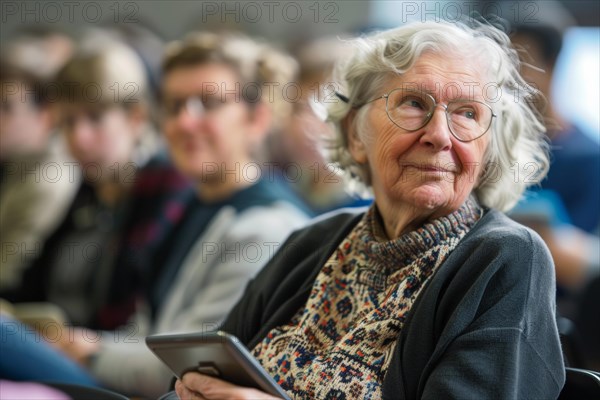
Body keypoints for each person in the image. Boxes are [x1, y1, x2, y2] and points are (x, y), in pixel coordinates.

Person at [170, 19, 565, 400]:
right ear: (355, 134)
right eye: (413, 103)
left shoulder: (504, 259)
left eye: (467, 113)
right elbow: (193, 381)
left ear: (487, 148)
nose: (440, 135)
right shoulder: (314, 242)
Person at [53, 31, 311, 398]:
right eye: (174, 106)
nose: (184, 123)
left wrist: (90, 351)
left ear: (256, 118)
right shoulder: (188, 206)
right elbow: (149, 329)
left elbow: (187, 367)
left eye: (208, 103)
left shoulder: (267, 227)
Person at [1, 31, 191, 330]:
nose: (80, 138)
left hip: (111, 363)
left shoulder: (166, 186)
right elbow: (31, 287)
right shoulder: (86, 191)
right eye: (68, 122)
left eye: (95, 118)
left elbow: (143, 314)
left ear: (136, 117)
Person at [0, 30, 80, 291]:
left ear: (47, 114)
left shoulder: (50, 178)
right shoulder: (17, 165)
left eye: (6, 107)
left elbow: (7, 276)